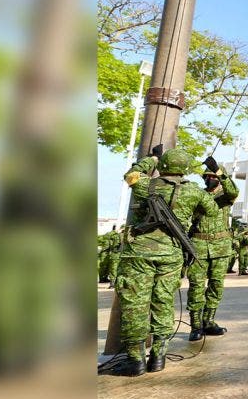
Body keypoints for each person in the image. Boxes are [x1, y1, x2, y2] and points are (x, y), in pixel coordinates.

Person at [102, 148, 218, 377]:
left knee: (135, 304)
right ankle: (158, 357)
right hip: (172, 254)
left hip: (139, 254)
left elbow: (131, 174)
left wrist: (151, 159)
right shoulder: (194, 191)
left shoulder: (146, 184)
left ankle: (135, 361)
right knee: (163, 302)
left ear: (163, 165)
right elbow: (212, 211)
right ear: (185, 169)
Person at [186, 156, 239, 341]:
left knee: (216, 286)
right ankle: (195, 326)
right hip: (198, 246)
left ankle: (208, 322)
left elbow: (234, 191)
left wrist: (219, 171)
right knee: (196, 286)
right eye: (207, 176)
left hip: (220, 248)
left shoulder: (225, 196)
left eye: (213, 176)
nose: (210, 179)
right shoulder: (196, 195)